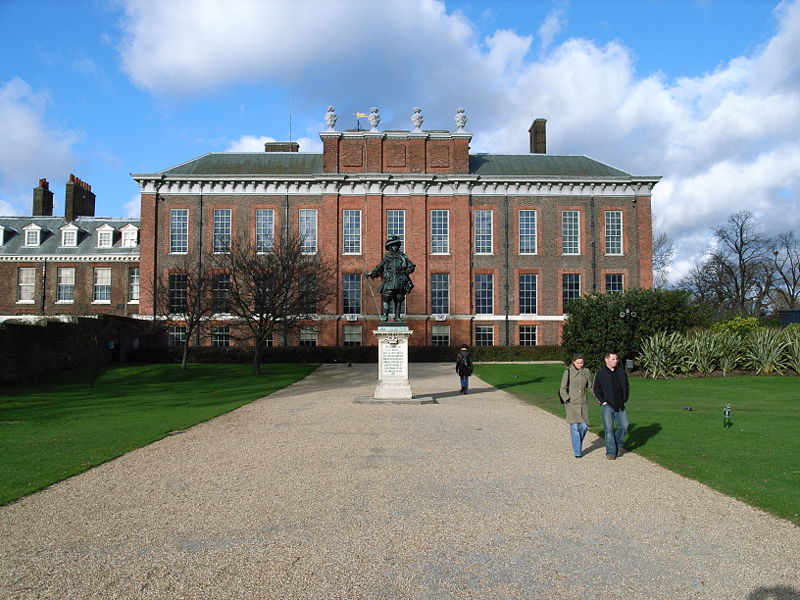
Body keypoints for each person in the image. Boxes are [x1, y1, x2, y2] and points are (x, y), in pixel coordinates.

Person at [365, 235, 416, 322]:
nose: (394, 247)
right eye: (392, 245)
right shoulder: (387, 257)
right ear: (389, 247)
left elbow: (411, 266)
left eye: (396, 245)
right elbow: (379, 268)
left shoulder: (402, 257)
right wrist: (372, 273)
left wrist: (406, 272)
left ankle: (397, 316)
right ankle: (385, 315)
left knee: (399, 299)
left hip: (400, 280)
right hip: (389, 280)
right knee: (387, 297)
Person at [592, 351, 630, 460]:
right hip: (607, 405)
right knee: (608, 429)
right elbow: (596, 389)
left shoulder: (621, 372)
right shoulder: (600, 373)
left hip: (620, 405)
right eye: (613, 359)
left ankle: (619, 444)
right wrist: (602, 401)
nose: (615, 361)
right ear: (606, 360)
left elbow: (626, 386)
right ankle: (611, 451)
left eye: (616, 359)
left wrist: (625, 398)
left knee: (624, 426)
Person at [559, 354, 592, 458]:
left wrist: (600, 397)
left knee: (584, 427)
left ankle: (577, 444)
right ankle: (577, 451)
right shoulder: (567, 372)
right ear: (573, 362)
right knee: (574, 428)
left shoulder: (586, 372)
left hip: (583, 404)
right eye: (578, 363)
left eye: (582, 363)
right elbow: (562, 388)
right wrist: (567, 399)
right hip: (571, 404)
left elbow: (590, 386)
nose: (580, 365)